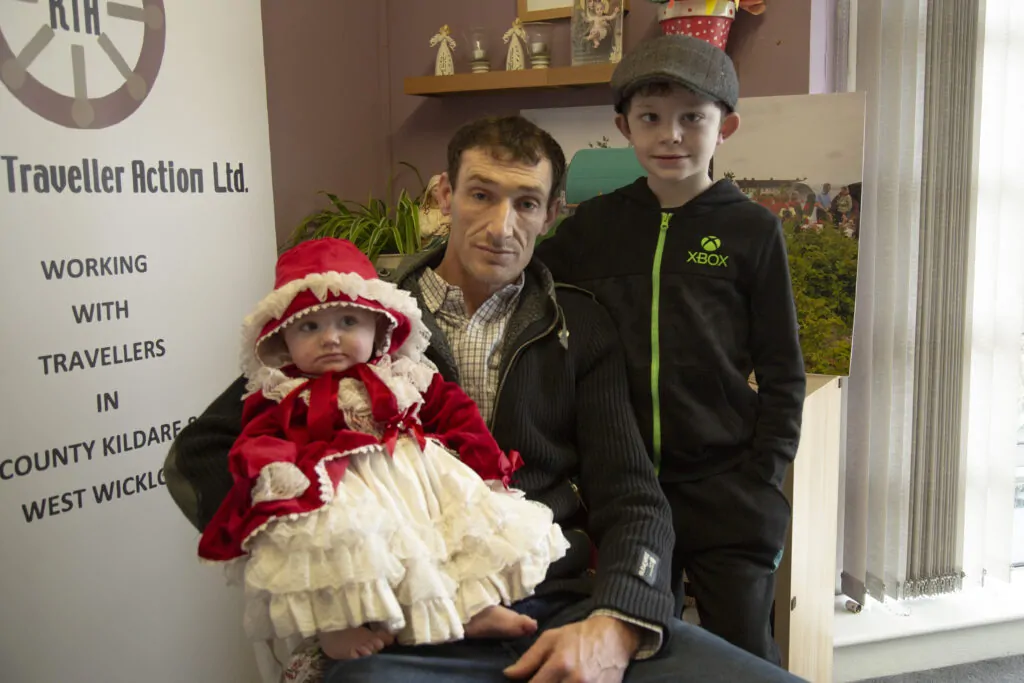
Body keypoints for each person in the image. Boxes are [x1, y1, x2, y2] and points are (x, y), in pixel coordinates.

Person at [165, 114, 804, 683]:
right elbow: (201, 455)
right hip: (412, 620)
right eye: (480, 195)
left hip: (557, 600)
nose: (502, 227)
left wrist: (616, 621)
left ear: (552, 214)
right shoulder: (360, 319)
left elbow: (632, 496)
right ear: (445, 195)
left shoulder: (580, 325)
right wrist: (327, 572)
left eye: (526, 203)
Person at [537, 35, 807, 665]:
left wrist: (762, 476)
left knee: (743, 654)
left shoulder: (753, 230)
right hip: (626, 492)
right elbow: (521, 274)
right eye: (651, 118)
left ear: (725, 127)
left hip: (727, 488)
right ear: (624, 127)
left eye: (692, 118)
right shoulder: (594, 227)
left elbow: (782, 369)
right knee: (644, 651)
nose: (671, 136)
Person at [197, 236, 569, 665]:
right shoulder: (283, 392)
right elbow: (256, 437)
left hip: (413, 475)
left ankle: (471, 606)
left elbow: (455, 413)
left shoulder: (403, 373)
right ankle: (337, 625)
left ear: (378, 325)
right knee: (333, 544)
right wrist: (273, 470)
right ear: (283, 338)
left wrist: (487, 464)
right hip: (341, 486)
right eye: (309, 327)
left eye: (348, 322)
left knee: (450, 530)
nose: (330, 339)